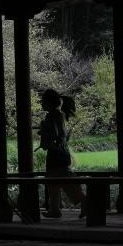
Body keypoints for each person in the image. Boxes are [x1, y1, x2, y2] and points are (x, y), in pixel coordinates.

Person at [39, 88, 86, 219]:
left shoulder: (53, 115)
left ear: (49, 102)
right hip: (59, 153)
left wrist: (43, 130)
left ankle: (85, 202)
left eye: (43, 101)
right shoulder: (58, 114)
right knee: (53, 181)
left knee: (64, 181)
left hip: (56, 153)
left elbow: (56, 135)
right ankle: (54, 209)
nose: (41, 103)